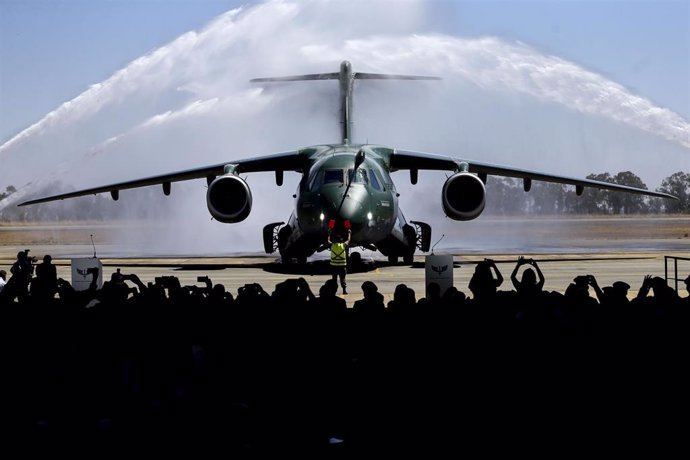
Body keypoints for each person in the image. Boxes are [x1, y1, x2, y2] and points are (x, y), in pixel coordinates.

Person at [328, 227, 351, 295]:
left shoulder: (332, 245)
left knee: (334, 280)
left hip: (334, 266)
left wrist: (329, 233)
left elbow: (328, 241)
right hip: (342, 266)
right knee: (343, 278)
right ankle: (344, 290)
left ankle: (333, 292)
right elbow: (348, 240)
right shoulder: (343, 245)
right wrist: (349, 233)